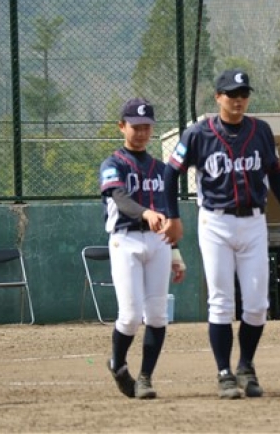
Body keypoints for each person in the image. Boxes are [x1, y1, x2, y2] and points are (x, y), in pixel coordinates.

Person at [160, 69, 280, 400]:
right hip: (216, 223)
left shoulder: (261, 131)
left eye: (243, 94)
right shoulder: (198, 134)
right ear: (218, 97)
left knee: (257, 304)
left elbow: (276, 173)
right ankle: (224, 373)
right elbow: (169, 174)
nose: (238, 100)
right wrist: (172, 216)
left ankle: (246, 367)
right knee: (221, 301)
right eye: (232, 94)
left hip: (254, 222)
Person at [99, 98, 186, 400]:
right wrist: (145, 213)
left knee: (158, 315)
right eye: (135, 126)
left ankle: (146, 378)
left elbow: (168, 213)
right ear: (122, 127)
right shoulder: (113, 164)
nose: (141, 132)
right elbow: (120, 199)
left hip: (159, 242)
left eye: (146, 127)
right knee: (131, 315)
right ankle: (118, 364)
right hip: (126, 240)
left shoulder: (161, 169)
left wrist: (175, 252)